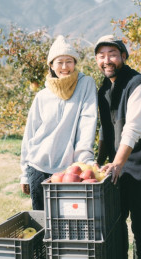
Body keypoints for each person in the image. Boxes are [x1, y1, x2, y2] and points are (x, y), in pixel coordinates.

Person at [94, 35, 141, 259]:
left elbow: (133, 129)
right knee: (115, 225)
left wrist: (116, 163)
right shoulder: (104, 88)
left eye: (112, 55)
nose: (107, 60)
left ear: (123, 56)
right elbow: (106, 129)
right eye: (101, 56)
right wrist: (98, 161)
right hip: (118, 170)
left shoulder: (138, 84)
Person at [20, 35, 98, 210]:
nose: (64, 67)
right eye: (59, 62)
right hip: (38, 166)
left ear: (75, 63)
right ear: (51, 65)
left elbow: (88, 122)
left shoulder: (85, 85)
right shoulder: (42, 96)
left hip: (68, 170)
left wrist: (85, 160)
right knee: (42, 223)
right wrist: (24, 174)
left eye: (69, 61)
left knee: (69, 223)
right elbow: (30, 135)